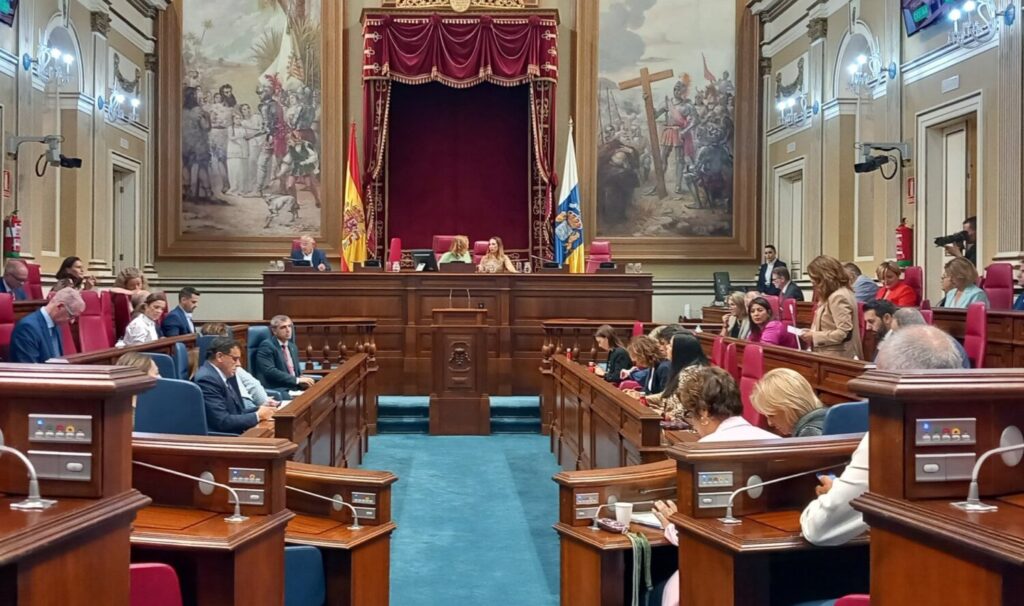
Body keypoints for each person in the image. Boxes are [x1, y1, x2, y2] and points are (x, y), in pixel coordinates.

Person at [800, 325, 965, 547]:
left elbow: (819, 528)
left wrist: (831, 496)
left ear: (891, 380)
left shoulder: (891, 434)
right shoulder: (990, 424)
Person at [657, 366, 777, 606]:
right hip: (773, 572)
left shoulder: (701, 454)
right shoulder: (778, 442)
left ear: (703, 412)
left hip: (719, 573)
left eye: (690, 416)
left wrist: (672, 525)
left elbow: (704, 536)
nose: (692, 426)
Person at [195, 337, 276, 434]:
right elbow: (222, 421)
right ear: (219, 357)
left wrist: (260, 408)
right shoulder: (207, 379)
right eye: (235, 359)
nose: (239, 364)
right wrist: (258, 415)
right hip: (225, 440)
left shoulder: (220, 374)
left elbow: (236, 412)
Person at [202, 323, 279, 409]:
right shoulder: (211, 372)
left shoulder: (229, 365)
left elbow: (253, 385)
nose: (238, 363)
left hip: (248, 406)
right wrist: (264, 403)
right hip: (244, 407)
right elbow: (253, 386)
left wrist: (265, 402)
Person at [800, 255, 863, 359]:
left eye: (814, 278)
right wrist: (812, 332)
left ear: (824, 277)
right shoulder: (838, 293)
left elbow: (843, 333)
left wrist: (814, 336)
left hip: (836, 357)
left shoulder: (838, 296)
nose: (813, 282)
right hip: (831, 354)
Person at [644, 333, 710, 422]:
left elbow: (683, 409)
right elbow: (667, 396)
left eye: (670, 345)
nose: (666, 347)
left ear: (681, 351)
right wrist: (643, 398)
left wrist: (661, 414)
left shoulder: (691, 373)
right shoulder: (679, 368)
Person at [9, 288, 85, 363]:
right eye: (71, 316)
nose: (72, 321)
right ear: (59, 307)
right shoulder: (27, 328)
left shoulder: (56, 325)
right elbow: (29, 369)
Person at [750, 368, 826, 437]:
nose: (770, 423)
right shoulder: (827, 419)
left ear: (788, 407)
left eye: (771, 415)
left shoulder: (810, 434)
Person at [253, 315, 317, 392]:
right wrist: (297, 380)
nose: (288, 330)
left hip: (295, 388)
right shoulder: (267, 346)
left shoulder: (292, 346)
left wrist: (302, 379)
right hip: (279, 389)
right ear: (274, 331)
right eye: (283, 327)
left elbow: (296, 372)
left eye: (289, 326)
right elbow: (270, 371)